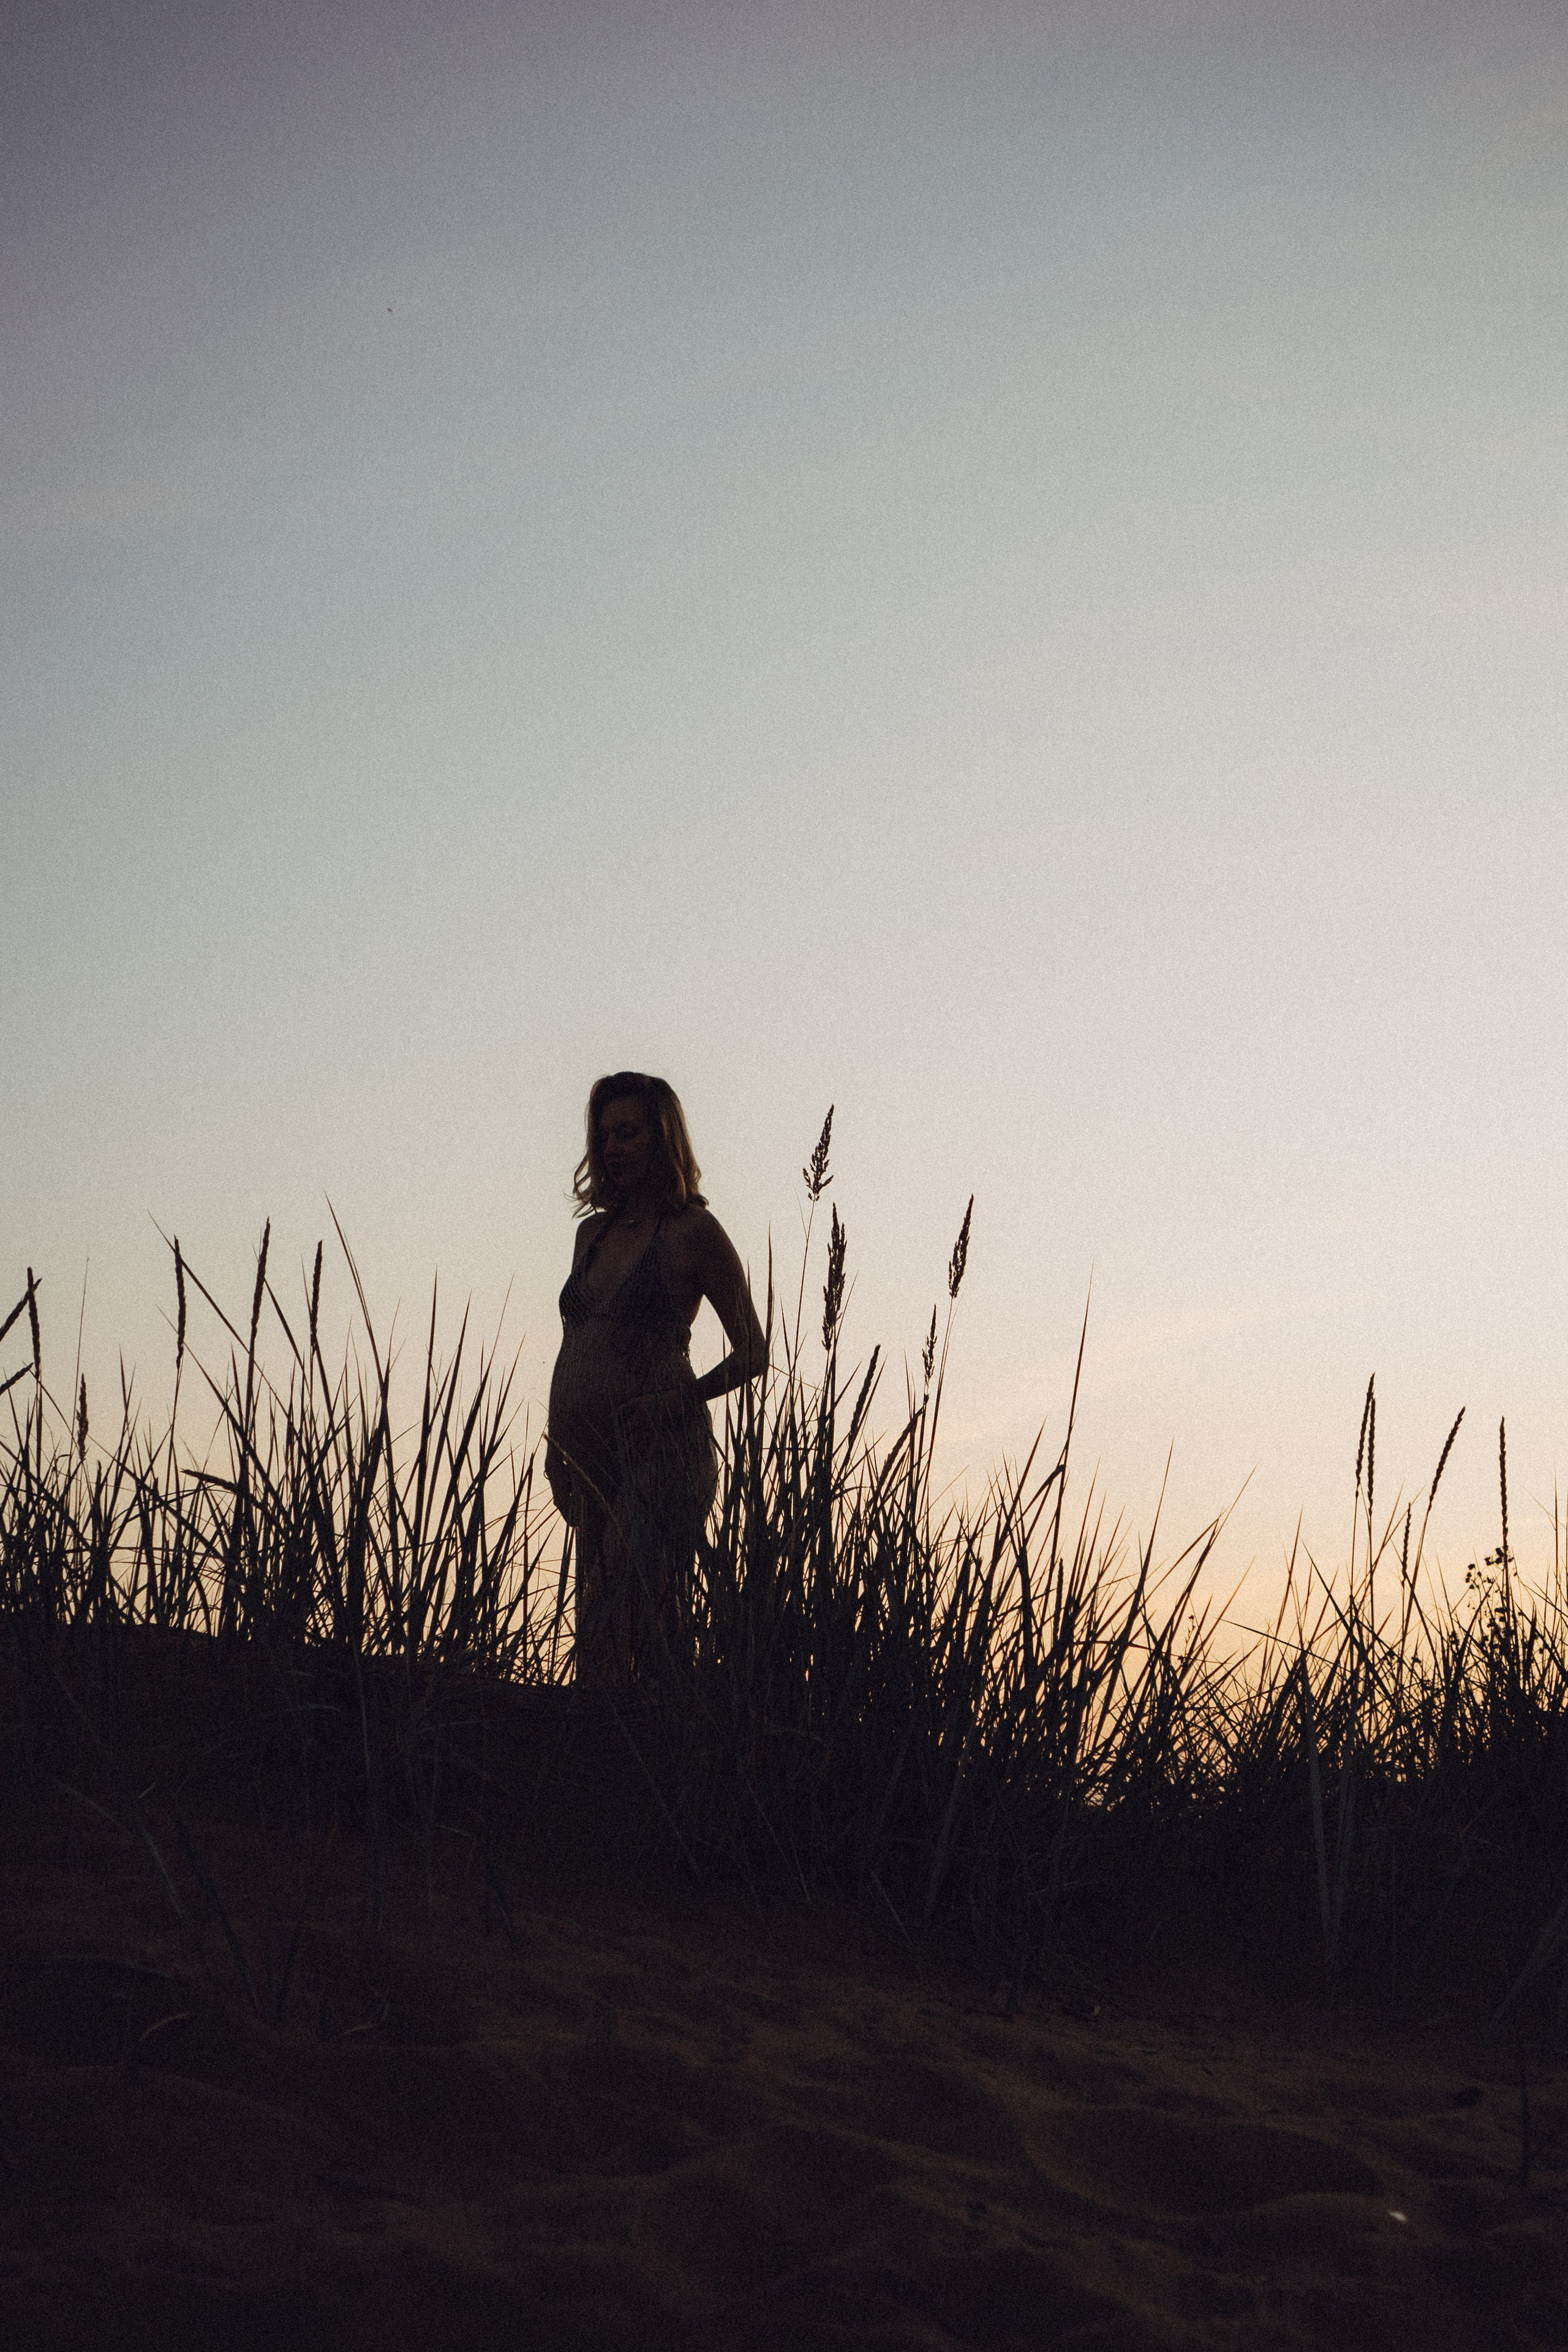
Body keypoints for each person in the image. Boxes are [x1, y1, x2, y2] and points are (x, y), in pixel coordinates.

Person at [545, 1072, 766, 1689]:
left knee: (614, 1610)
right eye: (603, 1136)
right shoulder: (591, 1235)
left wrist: (674, 1402)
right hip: (591, 1456)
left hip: (661, 1452)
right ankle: (657, 1737)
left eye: (628, 1133)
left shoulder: (694, 1232)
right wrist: (556, 1447)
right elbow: (574, 1344)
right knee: (634, 1630)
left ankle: (648, 1738)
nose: (612, 1148)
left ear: (663, 1139)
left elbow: (753, 1352)